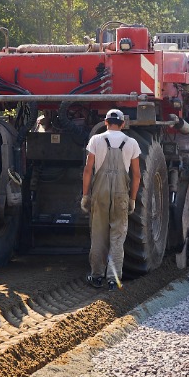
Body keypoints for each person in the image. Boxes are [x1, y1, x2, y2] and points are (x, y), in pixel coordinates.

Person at [81, 108, 140, 289]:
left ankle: (97, 276)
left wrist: (85, 195)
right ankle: (113, 279)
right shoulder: (131, 143)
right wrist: (132, 199)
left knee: (98, 235)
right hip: (121, 194)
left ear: (105, 122)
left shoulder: (96, 140)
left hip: (100, 194)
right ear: (123, 124)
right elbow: (137, 175)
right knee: (117, 237)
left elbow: (88, 170)